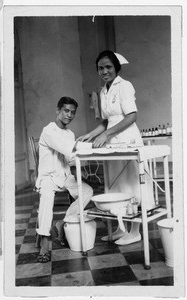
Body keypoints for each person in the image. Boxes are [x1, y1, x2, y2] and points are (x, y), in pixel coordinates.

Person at [78, 50, 155, 246]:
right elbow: (107, 120)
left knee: (132, 184)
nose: (104, 71)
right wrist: (92, 134)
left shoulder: (125, 86)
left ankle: (135, 231)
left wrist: (105, 135)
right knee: (117, 185)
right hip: (112, 141)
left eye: (108, 67)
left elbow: (131, 116)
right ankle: (122, 229)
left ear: (116, 68)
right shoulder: (104, 90)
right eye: (100, 68)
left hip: (127, 138)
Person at [35, 96, 93, 263]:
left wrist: (80, 167)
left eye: (72, 112)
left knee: (87, 191)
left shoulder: (70, 133)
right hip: (48, 177)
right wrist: (90, 144)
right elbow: (67, 148)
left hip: (65, 176)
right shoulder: (49, 130)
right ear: (58, 111)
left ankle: (63, 223)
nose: (69, 115)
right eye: (66, 111)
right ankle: (45, 243)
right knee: (46, 198)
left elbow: (70, 159)